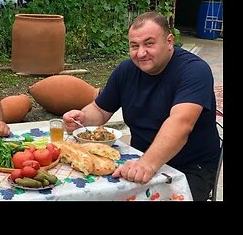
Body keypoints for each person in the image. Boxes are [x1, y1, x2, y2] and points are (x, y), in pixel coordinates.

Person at [62, 11, 220, 201]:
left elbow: (181, 124)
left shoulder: (194, 71)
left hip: (190, 169)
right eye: (134, 46)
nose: (141, 53)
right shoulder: (126, 70)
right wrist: (81, 118)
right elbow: (100, 110)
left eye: (149, 43)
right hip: (138, 159)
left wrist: (147, 164)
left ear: (169, 41)